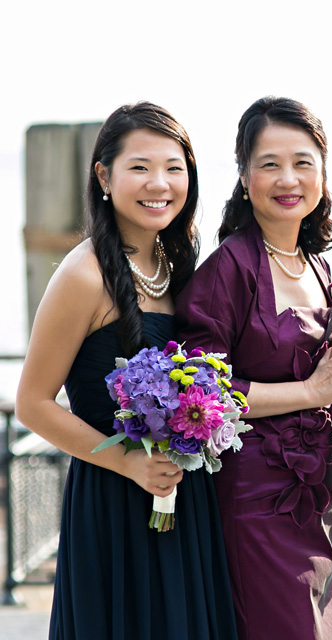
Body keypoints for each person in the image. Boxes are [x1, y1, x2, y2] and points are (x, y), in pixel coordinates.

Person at [16, 103, 237, 639]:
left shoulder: (180, 263)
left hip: (186, 497)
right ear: (104, 176)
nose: (158, 183)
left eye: (174, 167)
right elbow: (33, 404)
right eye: (139, 167)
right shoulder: (83, 274)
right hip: (113, 497)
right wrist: (129, 465)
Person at [174, 97, 332, 640]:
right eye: (269, 164)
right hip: (252, 500)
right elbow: (199, 396)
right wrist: (310, 389)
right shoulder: (228, 269)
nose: (288, 178)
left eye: (303, 162)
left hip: (318, 498)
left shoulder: (319, 265)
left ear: (323, 173)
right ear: (243, 178)